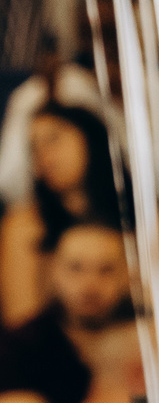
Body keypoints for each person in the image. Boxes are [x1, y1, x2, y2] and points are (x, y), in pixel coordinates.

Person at [0, 218, 141, 403]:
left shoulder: (152, 341)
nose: (90, 284)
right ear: (54, 270)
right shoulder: (19, 347)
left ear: (128, 275)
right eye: (76, 268)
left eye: (106, 270)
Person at [0, 105, 118, 329]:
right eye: (34, 148)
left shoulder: (149, 222)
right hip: (54, 356)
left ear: (91, 138)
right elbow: (21, 324)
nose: (43, 155)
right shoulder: (25, 227)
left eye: (53, 139)